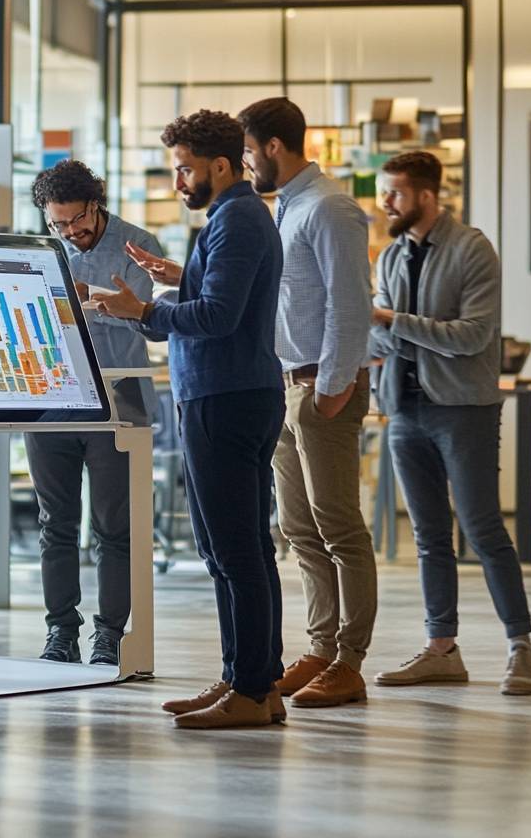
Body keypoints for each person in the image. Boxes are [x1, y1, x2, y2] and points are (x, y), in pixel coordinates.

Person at [98, 110, 287, 729]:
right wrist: (180, 280)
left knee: (234, 552)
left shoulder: (235, 220)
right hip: (233, 393)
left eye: (184, 168)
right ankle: (249, 679)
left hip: (225, 399)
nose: (178, 180)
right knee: (238, 548)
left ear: (222, 165)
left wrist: (141, 312)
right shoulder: (234, 218)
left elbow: (217, 317)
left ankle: (253, 690)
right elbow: (220, 297)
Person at [368, 151, 531, 696]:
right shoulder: (391, 255)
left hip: (463, 409)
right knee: (428, 537)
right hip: (404, 409)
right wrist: (387, 328)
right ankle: (442, 649)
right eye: (383, 192)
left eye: (393, 192)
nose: (385, 202)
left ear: (425, 195)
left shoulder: (472, 249)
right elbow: (375, 338)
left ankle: (522, 650)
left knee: (484, 529)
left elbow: (472, 336)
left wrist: (393, 322)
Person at [238, 97, 376, 709]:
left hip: (323, 385)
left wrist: (331, 388)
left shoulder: (331, 208)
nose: (245, 163)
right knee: (299, 528)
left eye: (247, 150)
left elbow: (351, 306)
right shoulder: (286, 209)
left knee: (340, 525)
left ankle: (350, 660)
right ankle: (320, 648)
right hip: (289, 384)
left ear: (273, 146)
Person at [26, 159, 162, 666]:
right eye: (57, 224)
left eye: (76, 221)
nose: (69, 232)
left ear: (95, 203)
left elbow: (147, 321)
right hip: (51, 401)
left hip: (119, 400)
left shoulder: (138, 246)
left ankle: (109, 634)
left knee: (113, 528)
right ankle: (60, 632)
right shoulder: (41, 251)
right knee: (54, 524)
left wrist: (87, 300)